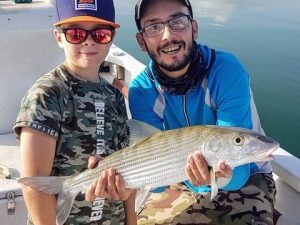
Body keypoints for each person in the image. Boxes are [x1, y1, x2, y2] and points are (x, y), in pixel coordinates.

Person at [129, 0, 276, 224]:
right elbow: (157, 183)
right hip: (176, 176)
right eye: (153, 27)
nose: (168, 35)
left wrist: (216, 177)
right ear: (141, 41)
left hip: (247, 176)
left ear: (194, 28)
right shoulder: (141, 91)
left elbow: (238, 171)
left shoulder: (226, 71)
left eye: (177, 21)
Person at [13, 0, 136, 224]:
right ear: (59, 37)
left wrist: (132, 219)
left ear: (111, 38)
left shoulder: (115, 96)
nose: (88, 42)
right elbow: (36, 183)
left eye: (100, 34)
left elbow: (128, 163)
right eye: (76, 34)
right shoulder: (47, 94)